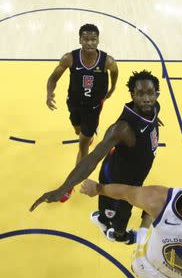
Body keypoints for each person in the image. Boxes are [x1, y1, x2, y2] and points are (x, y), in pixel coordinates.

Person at [31, 70, 160, 244]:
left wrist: (154, 120)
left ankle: (111, 225)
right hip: (117, 180)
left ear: (156, 94)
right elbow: (92, 159)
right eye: (140, 94)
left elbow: (151, 111)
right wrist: (63, 189)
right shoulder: (122, 129)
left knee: (117, 210)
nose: (146, 99)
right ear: (132, 95)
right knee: (119, 215)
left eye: (150, 93)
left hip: (133, 174)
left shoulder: (153, 107)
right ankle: (113, 230)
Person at [46, 23, 119, 202]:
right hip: (74, 103)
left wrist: (113, 87)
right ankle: (85, 134)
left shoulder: (107, 61)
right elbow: (53, 77)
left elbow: (115, 71)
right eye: (85, 39)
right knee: (77, 130)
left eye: (93, 39)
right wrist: (49, 93)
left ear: (98, 40)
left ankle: (68, 186)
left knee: (82, 146)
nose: (89, 43)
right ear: (80, 40)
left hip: (93, 109)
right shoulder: (69, 58)